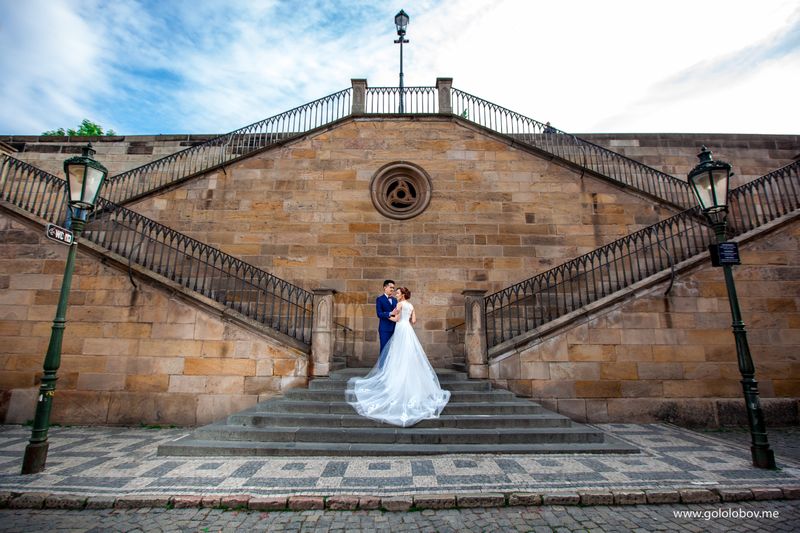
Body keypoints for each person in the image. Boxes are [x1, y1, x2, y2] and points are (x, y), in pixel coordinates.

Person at [346, 287, 451, 427]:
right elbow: (414, 321)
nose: (396, 294)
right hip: (408, 330)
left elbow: (396, 319)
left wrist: (388, 316)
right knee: (410, 354)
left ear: (402, 295)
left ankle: (396, 378)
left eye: (398, 293)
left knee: (397, 354)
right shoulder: (411, 305)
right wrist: (405, 318)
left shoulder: (400, 304)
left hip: (401, 329)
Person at [375, 279, 396, 369]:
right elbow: (379, 314)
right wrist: (389, 313)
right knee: (384, 349)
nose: (392, 289)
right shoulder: (380, 299)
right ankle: (382, 370)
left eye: (393, 288)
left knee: (394, 350)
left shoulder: (395, 300)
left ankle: (391, 370)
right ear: (385, 287)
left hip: (396, 328)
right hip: (385, 329)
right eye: (391, 287)